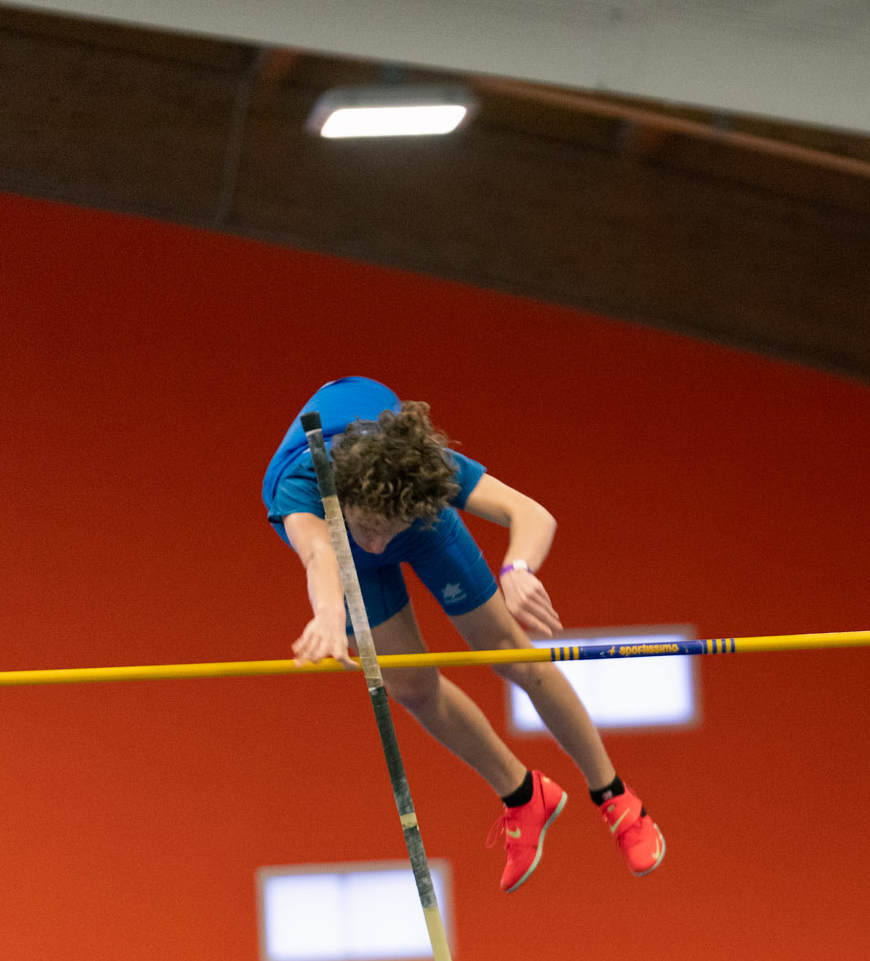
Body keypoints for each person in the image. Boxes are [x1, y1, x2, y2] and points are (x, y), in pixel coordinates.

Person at [264, 376, 666, 892]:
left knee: (511, 654)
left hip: (421, 525)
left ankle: (615, 796)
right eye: (372, 529)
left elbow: (531, 513)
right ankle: (524, 795)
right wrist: (326, 614)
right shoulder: (301, 488)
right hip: (341, 545)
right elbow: (320, 554)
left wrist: (517, 567)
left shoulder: (419, 475)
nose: (380, 542)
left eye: (388, 529)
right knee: (411, 686)